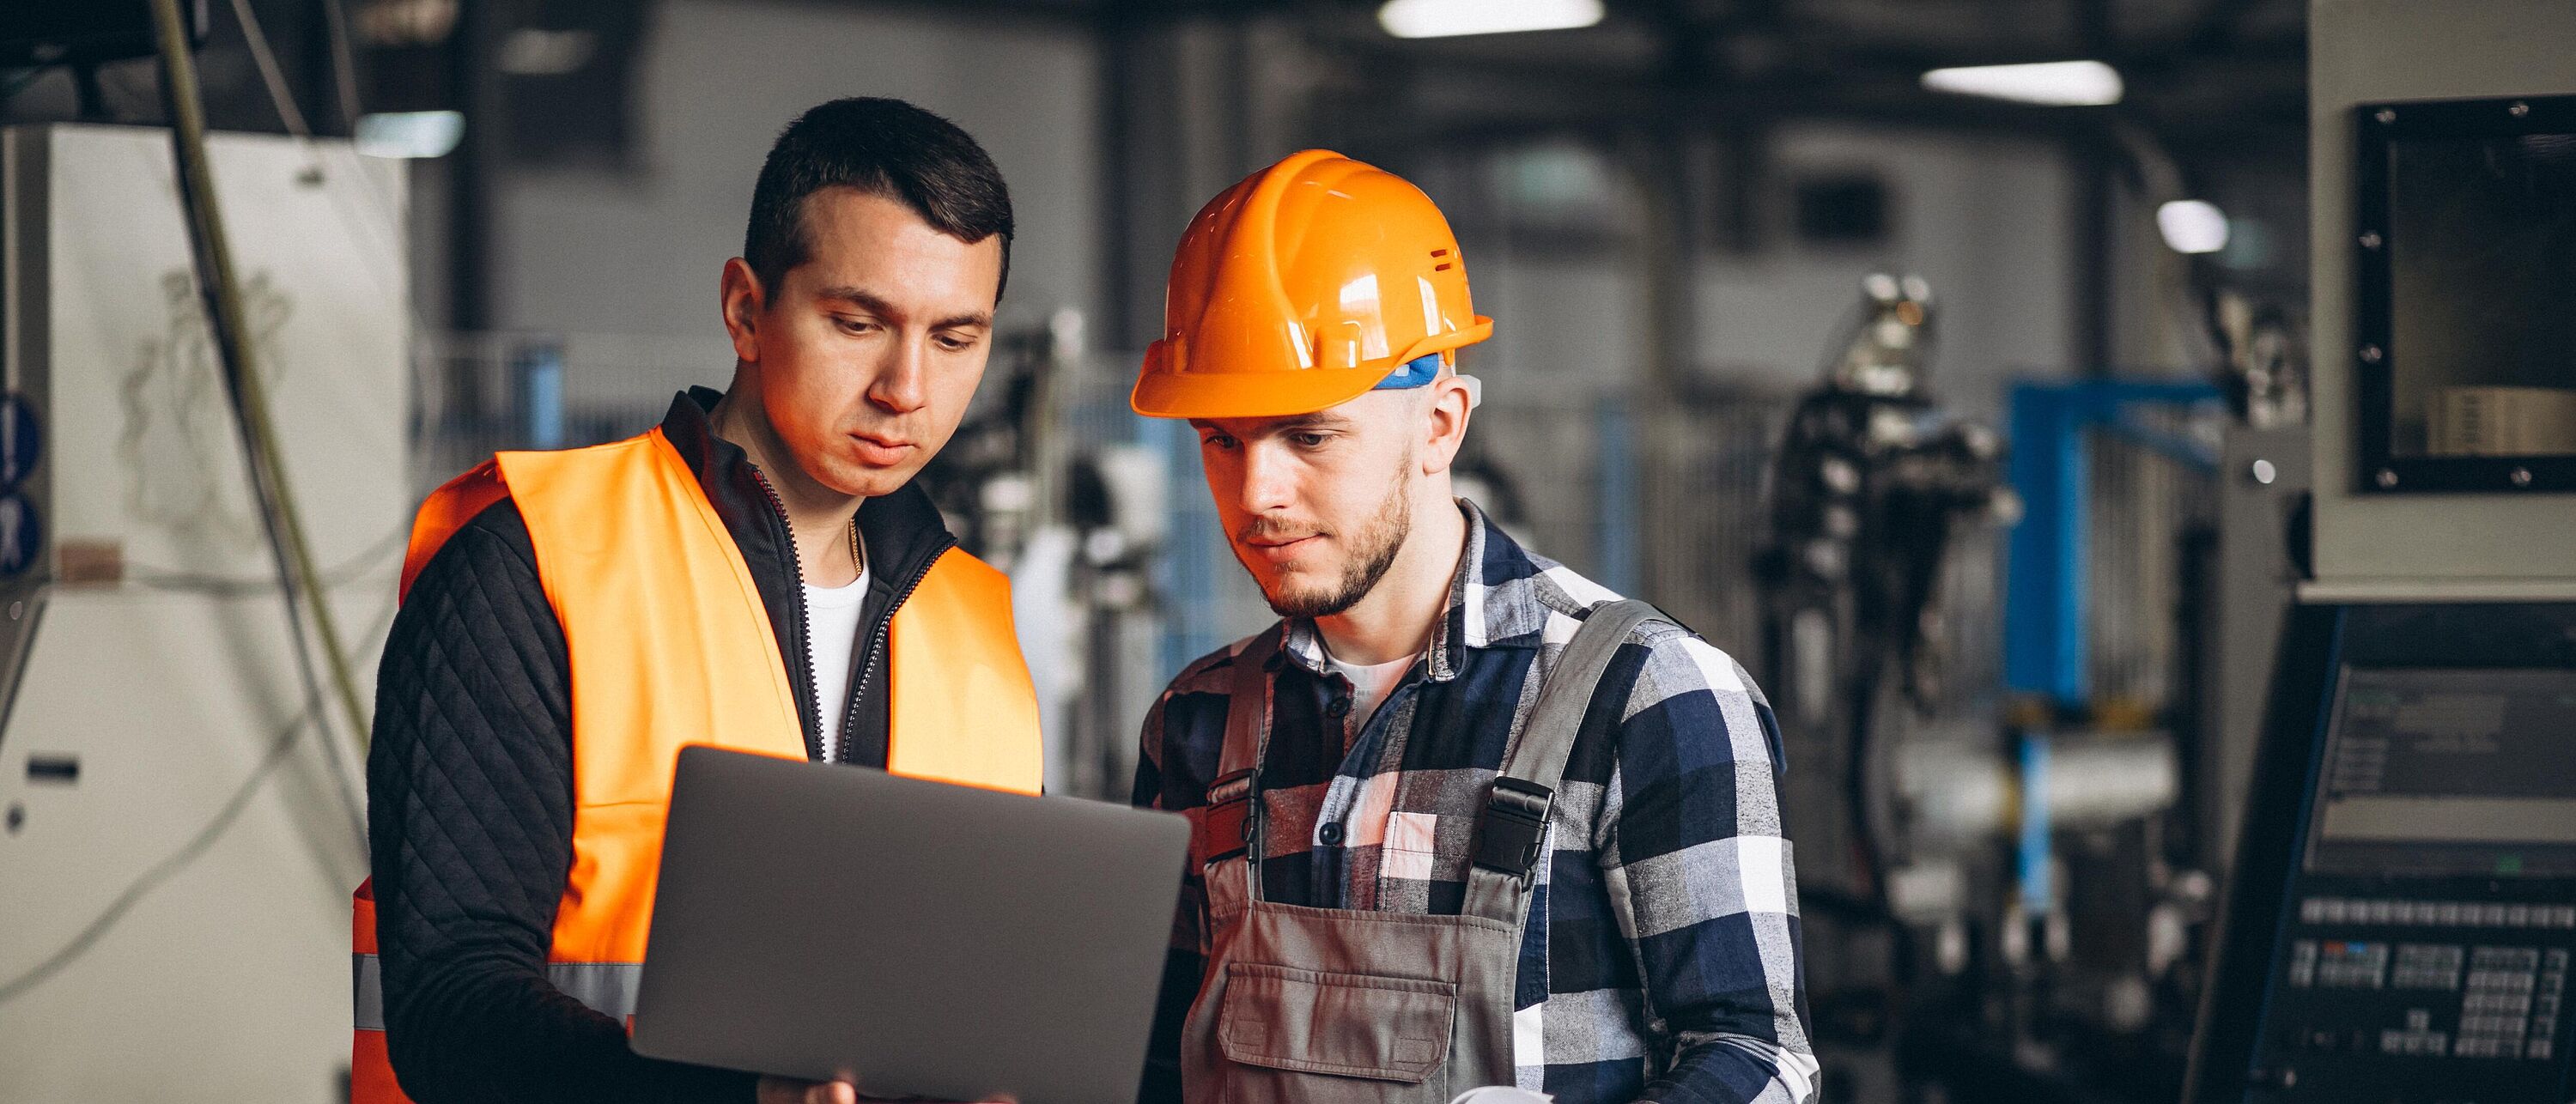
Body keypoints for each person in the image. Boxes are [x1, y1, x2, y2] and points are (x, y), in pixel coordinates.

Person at [356, 98, 1042, 1104]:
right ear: (746, 310)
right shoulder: (532, 562)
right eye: (859, 322)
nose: (907, 386)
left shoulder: (976, 627)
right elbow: (452, 1004)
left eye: (955, 338)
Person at [1128, 149, 1818, 1104]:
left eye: (1309, 434)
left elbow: (1758, 1061)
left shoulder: (1647, 695)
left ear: (1441, 424)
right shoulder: (1196, 722)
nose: (1257, 492)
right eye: (1221, 439)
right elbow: (1152, 1062)